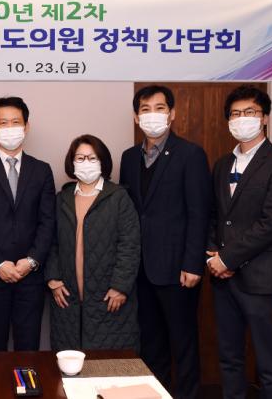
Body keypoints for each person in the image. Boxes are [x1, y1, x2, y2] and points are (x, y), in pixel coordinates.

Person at [119, 85, 211, 399]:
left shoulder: (190, 154)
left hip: (178, 269)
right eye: (145, 109)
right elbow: (130, 213)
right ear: (136, 117)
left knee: (183, 344)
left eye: (159, 108)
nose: (152, 115)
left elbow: (199, 213)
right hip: (142, 269)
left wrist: (193, 263)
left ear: (172, 114)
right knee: (151, 344)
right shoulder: (129, 157)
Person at [207, 85, 272, 399]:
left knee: (269, 362)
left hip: (260, 278)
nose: (242, 118)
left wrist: (227, 259)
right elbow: (214, 216)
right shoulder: (221, 165)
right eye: (235, 114)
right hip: (223, 279)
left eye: (250, 112)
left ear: (265, 118)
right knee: (229, 359)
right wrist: (213, 257)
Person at [0, 96, 55, 352]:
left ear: (27, 126)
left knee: (29, 348)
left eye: (16, 122)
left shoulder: (42, 170)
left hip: (31, 277)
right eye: (3, 123)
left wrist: (32, 260)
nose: (10, 128)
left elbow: (48, 220)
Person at [45, 134, 140, 351]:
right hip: (68, 299)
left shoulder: (118, 197)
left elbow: (130, 245)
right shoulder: (62, 199)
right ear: (72, 162)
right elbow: (51, 242)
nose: (86, 162)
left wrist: (120, 286)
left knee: (107, 363)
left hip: (108, 296)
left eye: (92, 157)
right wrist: (53, 279)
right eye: (80, 158)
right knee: (69, 362)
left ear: (102, 161)